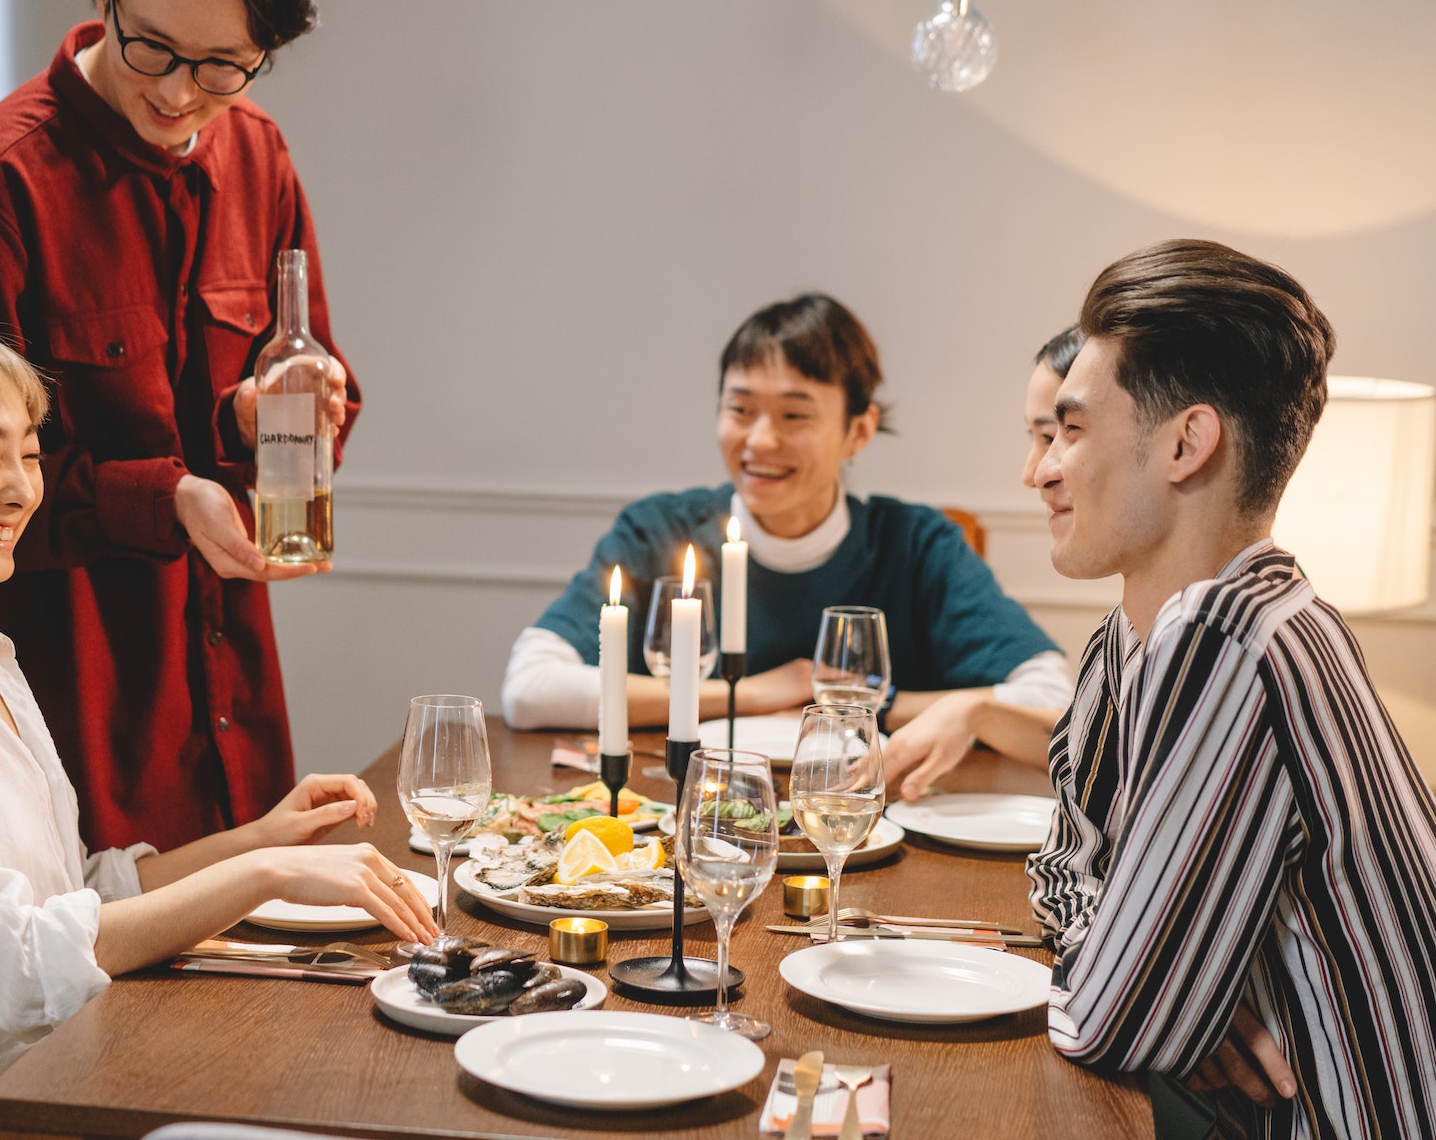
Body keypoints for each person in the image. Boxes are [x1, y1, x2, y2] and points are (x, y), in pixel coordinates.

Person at [0, 318, 432, 1137]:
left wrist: (256, 838)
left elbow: (73, 898)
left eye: (29, 453)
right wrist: (266, 875)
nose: (22, 487)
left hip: (47, 1073)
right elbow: (20, 961)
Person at [0, 0, 354, 851]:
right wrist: (166, 497)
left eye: (223, 65)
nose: (182, 93)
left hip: (234, 713)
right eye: (151, 47)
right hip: (69, 716)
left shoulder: (259, 154)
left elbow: (314, 382)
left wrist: (268, 413)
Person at [1025, 240, 1436, 1137]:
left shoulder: (1232, 642)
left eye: (1073, 430)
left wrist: (1158, 1001)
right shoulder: (1135, 641)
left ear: (1186, 443)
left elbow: (1112, 1023)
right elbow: (1059, 867)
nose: (1041, 470)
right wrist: (1167, 997)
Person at [501, 294, 1068, 743]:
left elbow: (1050, 696)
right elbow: (529, 690)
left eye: (794, 415)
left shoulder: (915, 546)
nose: (760, 440)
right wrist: (750, 693)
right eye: (740, 410)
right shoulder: (659, 533)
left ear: (859, 430)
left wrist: (865, 703)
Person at [882, 325, 1082, 798]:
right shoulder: (1124, 633)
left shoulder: (1207, 637)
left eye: (1062, 434)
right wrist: (974, 711)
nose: (1032, 472)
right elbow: (1099, 763)